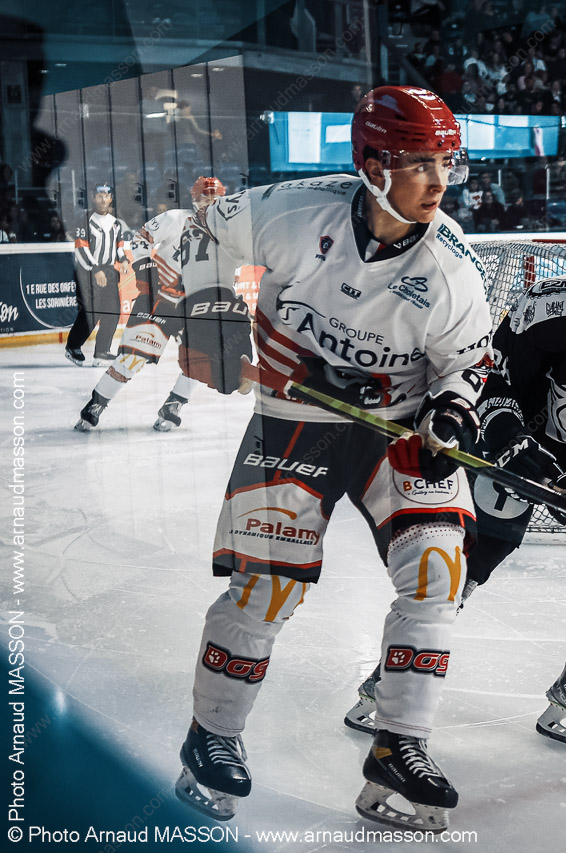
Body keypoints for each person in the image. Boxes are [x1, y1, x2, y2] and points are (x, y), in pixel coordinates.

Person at [173, 87, 492, 833]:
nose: (439, 182)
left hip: (396, 424)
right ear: (373, 165)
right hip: (295, 415)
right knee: (267, 586)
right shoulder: (293, 211)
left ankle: (398, 744)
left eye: (447, 163)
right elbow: (203, 231)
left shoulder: (452, 265)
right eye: (420, 164)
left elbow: (467, 363)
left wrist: (451, 411)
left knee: (437, 570)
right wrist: (211, 314)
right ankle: (211, 735)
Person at [345, 207, 566, 750]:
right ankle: (395, 677)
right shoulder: (546, 307)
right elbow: (493, 382)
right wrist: (512, 444)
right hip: (518, 443)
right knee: (472, 553)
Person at [73, 177, 228, 432]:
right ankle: (96, 404)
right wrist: (147, 270)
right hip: (159, 299)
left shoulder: (227, 233)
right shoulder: (175, 218)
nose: (210, 204)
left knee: (203, 356)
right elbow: (141, 238)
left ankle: (174, 404)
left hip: (194, 304)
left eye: (215, 199)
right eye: (205, 198)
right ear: (195, 198)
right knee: (132, 358)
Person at [66, 185, 127, 366]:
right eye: (99, 196)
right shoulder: (85, 220)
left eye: (106, 196)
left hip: (109, 271)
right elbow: (81, 248)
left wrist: (123, 260)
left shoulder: (115, 222)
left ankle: (102, 351)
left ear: (111, 198)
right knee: (91, 312)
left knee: (112, 312)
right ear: (93, 198)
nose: (103, 199)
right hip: (87, 272)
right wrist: (96, 269)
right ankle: (73, 347)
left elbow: (119, 246)